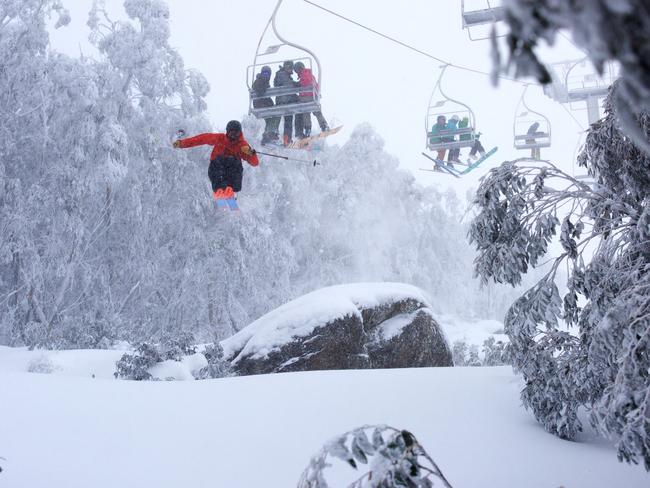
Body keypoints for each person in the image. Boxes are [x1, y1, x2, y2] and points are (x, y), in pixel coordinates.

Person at [173, 120, 259, 200]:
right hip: (217, 168)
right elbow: (201, 139)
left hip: (231, 173)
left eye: (236, 133)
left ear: (240, 133)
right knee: (220, 160)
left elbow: (255, 163)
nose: (233, 135)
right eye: (231, 132)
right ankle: (220, 190)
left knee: (235, 162)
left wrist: (251, 153)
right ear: (227, 132)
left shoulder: (242, 145)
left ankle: (231, 192)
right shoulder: (220, 138)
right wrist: (182, 143)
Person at [293, 61, 329, 139]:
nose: (297, 72)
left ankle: (320, 126)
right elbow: (313, 83)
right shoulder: (307, 73)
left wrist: (298, 84)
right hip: (310, 96)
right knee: (308, 113)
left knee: (309, 112)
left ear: (300, 68)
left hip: (307, 97)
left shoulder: (305, 73)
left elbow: (307, 82)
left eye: (297, 70)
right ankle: (311, 128)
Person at [252, 66, 280, 145]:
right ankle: (270, 133)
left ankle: (267, 136)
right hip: (260, 105)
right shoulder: (259, 80)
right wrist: (264, 87)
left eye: (267, 74)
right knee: (275, 115)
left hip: (264, 104)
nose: (266, 76)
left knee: (270, 119)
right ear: (261, 73)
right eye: (264, 73)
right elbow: (257, 89)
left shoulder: (264, 82)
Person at [274, 61, 300, 146]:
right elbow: (288, 86)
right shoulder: (282, 74)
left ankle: (287, 139)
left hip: (286, 101)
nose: (290, 69)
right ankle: (288, 137)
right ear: (285, 67)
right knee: (292, 116)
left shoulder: (285, 75)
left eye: (291, 67)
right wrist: (297, 96)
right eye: (288, 67)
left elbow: (289, 87)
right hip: (284, 101)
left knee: (289, 119)